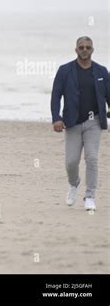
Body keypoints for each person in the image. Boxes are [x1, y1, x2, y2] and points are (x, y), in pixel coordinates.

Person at [51, 36, 110, 211]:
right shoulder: (65, 70)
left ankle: (90, 196)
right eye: (81, 47)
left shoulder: (102, 71)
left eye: (88, 47)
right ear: (76, 50)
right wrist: (56, 118)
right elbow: (55, 96)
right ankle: (73, 183)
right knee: (71, 162)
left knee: (91, 159)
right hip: (72, 122)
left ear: (92, 50)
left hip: (94, 122)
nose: (85, 50)